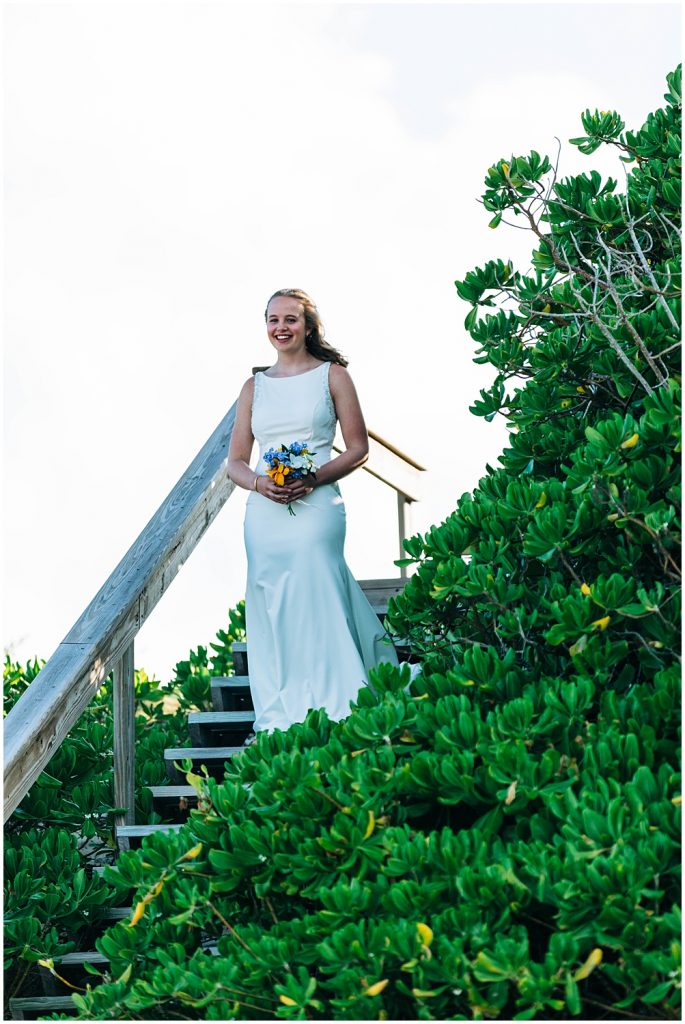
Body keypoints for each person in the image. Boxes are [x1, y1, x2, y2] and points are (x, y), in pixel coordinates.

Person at [227, 288, 399, 738]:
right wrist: (260, 483)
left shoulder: (333, 376)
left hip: (319, 504)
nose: (281, 328)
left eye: (290, 319)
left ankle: (341, 698)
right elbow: (236, 461)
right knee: (274, 605)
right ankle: (284, 706)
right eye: (272, 320)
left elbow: (359, 449)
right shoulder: (254, 386)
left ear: (308, 326)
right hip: (264, 514)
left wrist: (314, 478)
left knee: (318, 588)